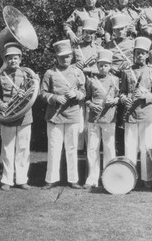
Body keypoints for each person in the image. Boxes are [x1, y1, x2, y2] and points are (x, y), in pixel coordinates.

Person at [40, 40, 86, 189]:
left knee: (72, 148)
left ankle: (73, 179)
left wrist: (76, 94)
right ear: (56, 57)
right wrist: (54, 98)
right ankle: (51, 179)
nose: (65, 59)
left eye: (67, 56)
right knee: (54, 147)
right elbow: (42, 93)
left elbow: (84, 93)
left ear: (72, 56)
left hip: (72, 114)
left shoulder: (78, 73)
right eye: (61, 56)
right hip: (55, 115)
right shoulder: (50, 73)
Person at [0, 42, 39, 191]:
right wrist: (2, 105)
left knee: (23, 148)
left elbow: (34, 95)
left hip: (24, 117)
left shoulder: (28, 74)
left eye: (15, 58)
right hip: (7, 117)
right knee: (7, 149)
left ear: (20, 59)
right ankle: (7, 180)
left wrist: (25, 95)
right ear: (6, 60)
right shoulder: (1, 76)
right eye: (10, 58)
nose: (13, 61)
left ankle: (21, 179)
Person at [119, 37, 152, 188]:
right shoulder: (127, 71)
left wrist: (145, 97)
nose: (140, 56)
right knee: (129, 146)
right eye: (138, 53)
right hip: (131, 113)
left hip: (147, 113)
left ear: (147, 55)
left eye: (143, 53)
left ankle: (147, 178)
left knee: (145, 148)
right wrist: (124, 100)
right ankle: (130, 178)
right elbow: (122, 92)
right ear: (134, 54)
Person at [83, 50, 120, 189]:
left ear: (110, 66)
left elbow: (119, 97)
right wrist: (91, 104)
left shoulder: (115, 80)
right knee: (92, 148)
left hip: (109, 117)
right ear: (97, 65)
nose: (103, 68)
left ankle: (109, 177)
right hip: (93, 118)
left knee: (109, 148)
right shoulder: (91, 80)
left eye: (106, 65)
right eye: (101, 65)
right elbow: (86, 99)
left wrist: (114, 100)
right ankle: (92, 178)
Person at [72, 17, 103, 154]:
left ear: (95, 34)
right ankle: (78, 150)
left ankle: (91, 149)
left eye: (92, 32)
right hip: (79, 87)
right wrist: (74, 65)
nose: (89, 35)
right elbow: (67, 68)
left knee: (91, 122)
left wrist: (89, 70)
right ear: (81, 32)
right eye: (86, 32)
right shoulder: (75, 48)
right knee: (79, 121)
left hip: (94, 87)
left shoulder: (99, 49)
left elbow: (105, 70)